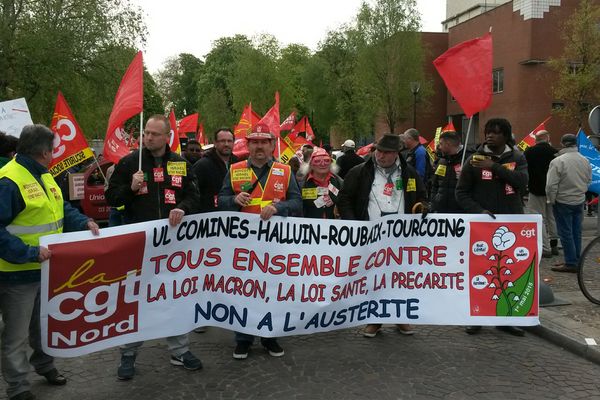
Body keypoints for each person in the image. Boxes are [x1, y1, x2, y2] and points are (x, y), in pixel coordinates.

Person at [0, 124, 100, 400]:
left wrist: (84, 222)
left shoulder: (44, 175)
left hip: (45, 270)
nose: (55, 154)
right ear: (44, 152)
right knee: (16, 336)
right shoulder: (8, 180)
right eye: (53, 149)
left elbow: (62, 210)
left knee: (43, 325)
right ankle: (18, 386)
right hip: (17, 274)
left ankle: (44, 366)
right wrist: (29, 253)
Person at [106, 114, 202, 380]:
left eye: (154, 134)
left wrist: (182, 208)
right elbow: (112, 197)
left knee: (174, 296)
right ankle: (128, 353)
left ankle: (180, 350)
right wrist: (130, 188)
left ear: (166, 137)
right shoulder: (129, 163)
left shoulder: (180, 164)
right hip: (140, 244)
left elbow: (195, 196)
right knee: (136, 299)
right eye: (146, 133)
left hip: (173, 245)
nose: (148, 138)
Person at [218, 122, 302, 360]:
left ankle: (270, 336)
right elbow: (220, 200)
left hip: (275, 245)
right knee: (243, 291)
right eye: (254, 142)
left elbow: (296, 203)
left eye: (264, 142)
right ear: (248, 144)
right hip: (243, 245)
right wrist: (234, 199)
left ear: (272, 145)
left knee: (271, 291)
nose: (259, 147)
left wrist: (279, 207)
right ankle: (243, 339)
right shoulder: (234, 170)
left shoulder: (285, 171)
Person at [337, 134, 427, 338]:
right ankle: (374, 319)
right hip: (371, 235)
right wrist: (354, 226)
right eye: (378, 150)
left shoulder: (409, 173)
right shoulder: (360, 172)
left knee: (399, 278)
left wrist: (424, 207)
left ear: (396, 154)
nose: (380, 155)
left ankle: (400, 315)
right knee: (373, 277)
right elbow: (344, 199)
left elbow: (422, 195)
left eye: (386, 152)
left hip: (401, 237)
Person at [455, 118, 528, 336]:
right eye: (488, 132)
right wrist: (479, 212)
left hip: (511, 224)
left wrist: (494, 167)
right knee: (480, 273)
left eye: (496, 133)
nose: (490, 136)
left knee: (509, 272)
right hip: (482, 226)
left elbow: (522, 182)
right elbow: (461, 192)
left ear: (505, 136)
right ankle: (476, 317)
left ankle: (505, 319)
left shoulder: (517, 157)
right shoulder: (473, 160)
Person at [546, 133, 592, 273]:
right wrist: (581, 192)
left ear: (562, 143)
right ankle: (575, 259)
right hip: (579, 200)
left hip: (563, 200)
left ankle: (571, 262)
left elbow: (551, 185)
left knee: (565, 233)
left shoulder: (558, 161)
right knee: (576, 232)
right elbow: (588, 180)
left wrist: (551, 199)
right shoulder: (585, 160)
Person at [524, 130, 559, 258]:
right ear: (547, 138)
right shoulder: (555, 152)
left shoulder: (529, 152)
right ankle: (554, 243)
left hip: (535, 189)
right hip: (552, 190)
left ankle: (545, 247)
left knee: (539, 218)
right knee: (552, 217)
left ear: (536, 139)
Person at [192, 128, 237, 213]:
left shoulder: (238, 164)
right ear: (215, 143)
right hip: (209, 218)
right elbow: (192, 194)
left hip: (233, 218)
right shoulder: (202, 165)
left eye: (229, 141)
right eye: (222, 141)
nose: (226, 144)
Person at [430, 131, 472, 213]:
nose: (439, 147)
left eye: (441, 144)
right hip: (441, 210)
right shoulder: (441, 161)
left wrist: (466, 177)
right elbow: (435, 185)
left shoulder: (469, 159)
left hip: (461, 211)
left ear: (448, 144)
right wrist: (433, 203)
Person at [299, 148, 343, 219]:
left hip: (333, 227)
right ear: (311, 165)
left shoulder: (339, 182)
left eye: (326, 160)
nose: (322, 164)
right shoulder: (302, 184)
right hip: (310, 226)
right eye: (317, 161)